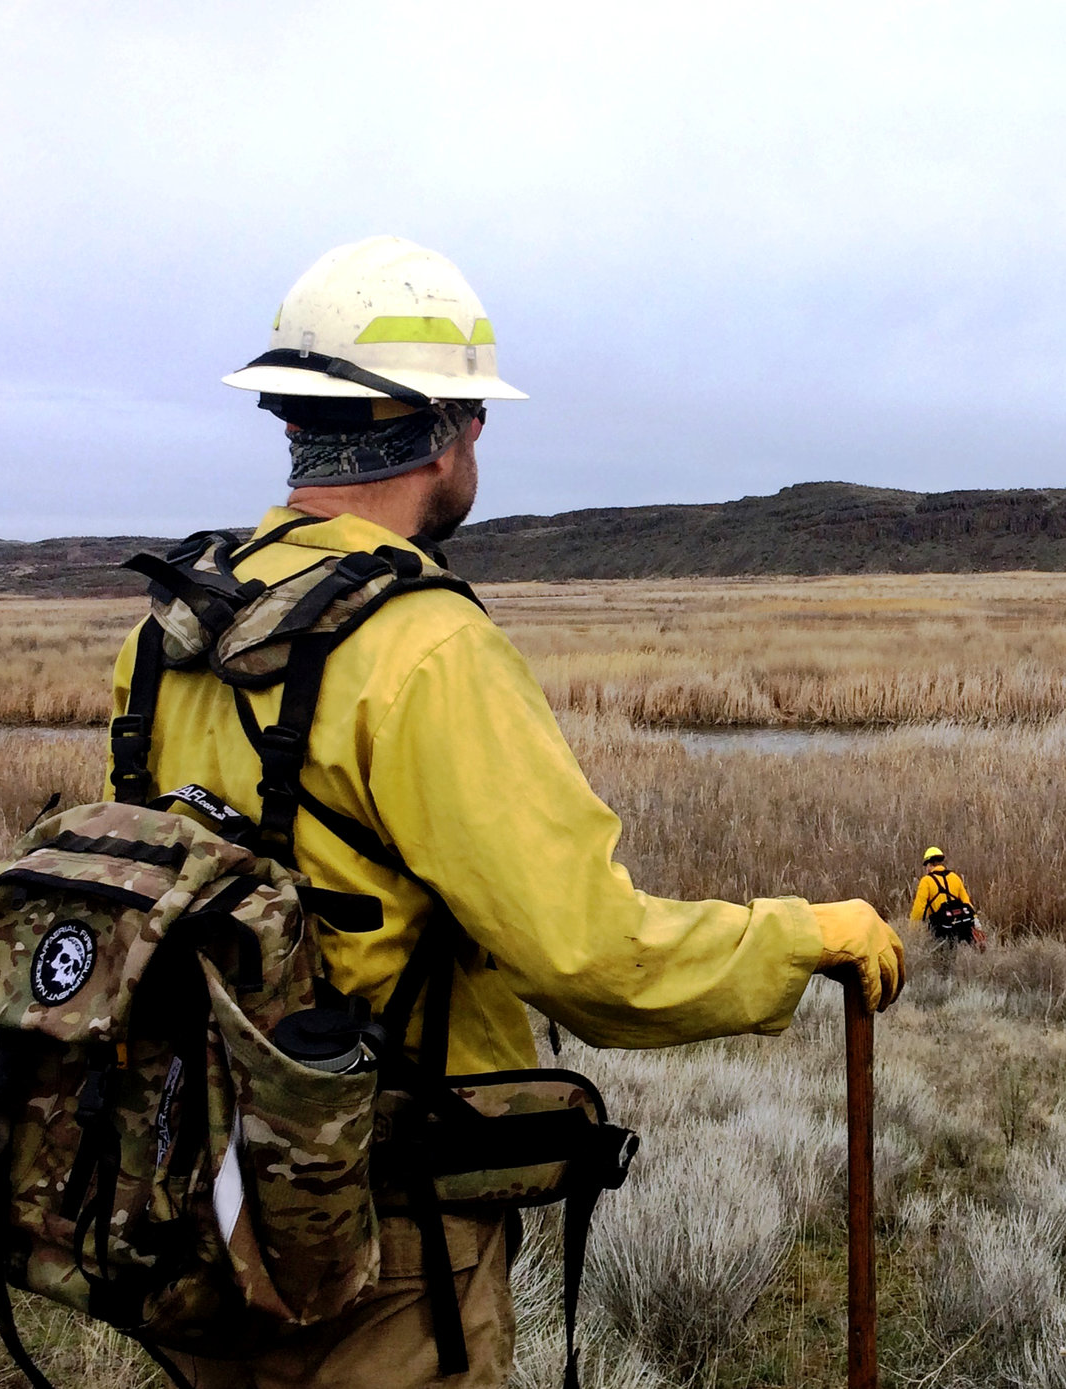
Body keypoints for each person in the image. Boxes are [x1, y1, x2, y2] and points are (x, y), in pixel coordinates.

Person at [135, 237, 907, 1388]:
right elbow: (592, 957)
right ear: (447, 430)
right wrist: (805, 936)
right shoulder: (426, 647)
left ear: (295, 419)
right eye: (474, 417)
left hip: (203, 1193)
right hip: (376, 1238)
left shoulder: (174, 631)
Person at [909, 846, 981, 951]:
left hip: (940, 929)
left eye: (926, 865)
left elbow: (918, 909)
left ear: (930, 864)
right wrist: (975, 920)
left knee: (940, 959)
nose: (926, 869)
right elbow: (966, 902)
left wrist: (912, 930)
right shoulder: (955, 877)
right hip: (960, 926)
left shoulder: (926, 881)